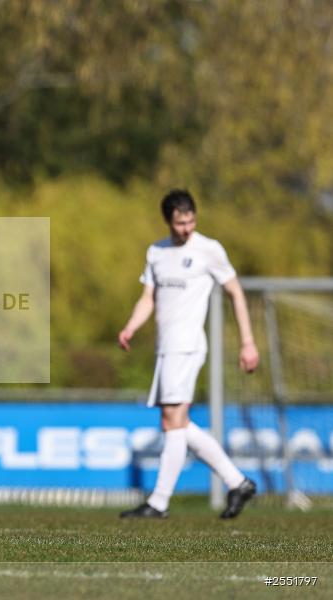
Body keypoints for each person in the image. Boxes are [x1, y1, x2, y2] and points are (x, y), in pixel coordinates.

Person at [118, 189, 260, 519]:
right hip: (165, 347)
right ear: (168, 221)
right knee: (178, 423)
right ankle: (238, 483)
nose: (186, 228)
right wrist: (130, 327)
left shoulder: (209, 250)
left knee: (172, 420)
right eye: (180, 223)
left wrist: (247, 342)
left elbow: (236, 293)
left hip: (188, 345)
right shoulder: (156, 252)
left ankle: (158, 502)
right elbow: (148, 299)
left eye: (191, 221)